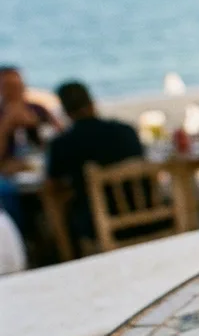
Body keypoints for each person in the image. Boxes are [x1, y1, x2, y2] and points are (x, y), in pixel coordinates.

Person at [45, 81, 145, 242]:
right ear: (92, 103)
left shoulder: (63, 144)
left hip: (100, 225)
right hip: (148, 214)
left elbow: (51, 187)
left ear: (65, 111)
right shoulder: (126, 131)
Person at [0, 66, 60, 230]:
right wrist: (6, 126)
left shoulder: (38, 110)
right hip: (8, 174)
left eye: (17, 86)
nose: (14, 91)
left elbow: (59, 140)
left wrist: (36, 124)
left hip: (40, 167)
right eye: (8, 87)